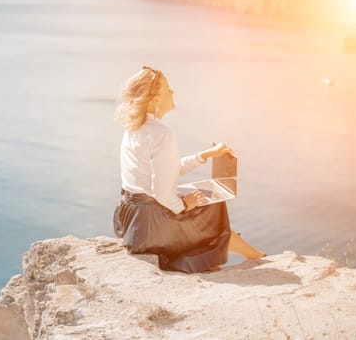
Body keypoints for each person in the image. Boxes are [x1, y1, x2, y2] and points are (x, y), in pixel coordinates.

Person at [113, 66, 265, 273]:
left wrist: (205, 155)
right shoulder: (161, 133)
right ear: (154, 99)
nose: (173, 92)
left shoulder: (134, 128)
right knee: (213, 204)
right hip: (151, 228)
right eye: (167, 89)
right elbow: (162, 193)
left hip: (133, 220)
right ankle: (239, 250)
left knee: (205, 199)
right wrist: (184, 204)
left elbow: (165, 172)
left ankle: (242, 249)